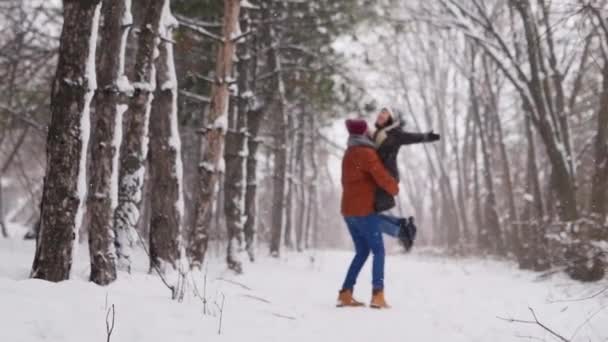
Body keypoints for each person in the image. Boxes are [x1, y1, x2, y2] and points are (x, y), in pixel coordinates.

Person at [337, 118, 399, 309]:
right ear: (363, 133)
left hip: (348, 211)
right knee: (378, 251)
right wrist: (394, 187)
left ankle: (346, 293)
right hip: (364, 210)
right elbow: (380, 175)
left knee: (363, 251)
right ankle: (378, 295)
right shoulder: (366, 153)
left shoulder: (349, 153)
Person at [372, 108, 440, 250]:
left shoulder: (395, 134)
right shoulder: (377, 134)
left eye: (384, 113)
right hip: (377, 179)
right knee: (369, 214)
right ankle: (402, 227)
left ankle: (402, 231)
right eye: (380, 113)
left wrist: (426, 136)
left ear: (391, 118)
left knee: (367, 217)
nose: (380, 115)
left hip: (387, 179)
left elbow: (410, 138)